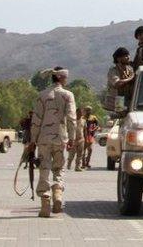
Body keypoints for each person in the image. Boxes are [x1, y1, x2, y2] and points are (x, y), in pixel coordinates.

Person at [28, 67, 77, 218]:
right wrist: (72, 138)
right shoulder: (68, 95)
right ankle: (57, 193)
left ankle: (45, 200)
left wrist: (32, 140)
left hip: (43, 139)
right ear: (62, 78)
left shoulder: (42, 95)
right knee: (59, 168)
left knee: (44, 168)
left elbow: (36, 120)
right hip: (60, 138)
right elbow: (72, 119)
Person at [104, 47, 136, 113]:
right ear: (119, 59)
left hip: (128, 100)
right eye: (125, 56)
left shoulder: (129, 70)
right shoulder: (113, 71)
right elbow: (117, 84)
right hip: (117, 101)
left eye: (128, 55)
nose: (128, 57)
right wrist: (130, 78)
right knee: (120, 118)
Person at [66, 107, 85, 172]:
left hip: (81, 139)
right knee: (72, 154)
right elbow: (68, 129)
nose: (81, 113)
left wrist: (85, 138)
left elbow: (84, 130)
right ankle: (68, 165)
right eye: (80, 112)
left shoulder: (83, 120)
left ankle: (77, 166)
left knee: (80, 154)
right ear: (76, 112)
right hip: (73, 139)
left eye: (82, 112)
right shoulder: (73, 120)